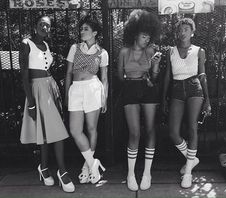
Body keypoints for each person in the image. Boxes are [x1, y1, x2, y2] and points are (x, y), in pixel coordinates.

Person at [19, 16, 75, 193]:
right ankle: (62, 172)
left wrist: (54, 90)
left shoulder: (46, 45)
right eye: (41, 24)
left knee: (47, 131)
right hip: (37, 91)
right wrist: (31, 104)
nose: (45, 27)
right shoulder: (25, 43)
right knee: (56, 132)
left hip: (50, 89)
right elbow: (24, 76)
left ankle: (43, 168)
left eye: (48, 25)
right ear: (35, 26)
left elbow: (46, 68)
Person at [162, 18, 211, 188]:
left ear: (192, 32)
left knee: (192, 128)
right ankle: (192, 159)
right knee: (173, 132)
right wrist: (164, 99)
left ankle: (188, 172)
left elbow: (203, 75)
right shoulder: (171, 51)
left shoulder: (199, 51)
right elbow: (168, 75)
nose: (183, 32)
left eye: (186, 29)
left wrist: (208, 99)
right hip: (176, 89)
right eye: (180, 29)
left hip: (194, 88)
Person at [117, 10, 161, 191]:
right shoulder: (123, 52)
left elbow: (155, 77)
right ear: (135, 34)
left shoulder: (151, 50)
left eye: (148, 37)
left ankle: (147, 173)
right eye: (144, 36)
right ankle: (131, 173)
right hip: (130, 89)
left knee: (150, 130)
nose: (147, 40)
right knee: (134, 132)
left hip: (148, 89)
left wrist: (155, 66)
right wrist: (132, 80)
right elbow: (120, 76)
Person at [65, 12, 108, 184]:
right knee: (75, 130)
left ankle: (86, 167)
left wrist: (104, 97)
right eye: (81, 29)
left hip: (93, 89)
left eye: (86, 29)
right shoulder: (74, 48)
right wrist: (67, 93)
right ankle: (93, 162)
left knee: (91, 128)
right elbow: (68, 73)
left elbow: (104, 78)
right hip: (76, 90)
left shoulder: (102, 52)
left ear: (95, 32)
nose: (82, 31)